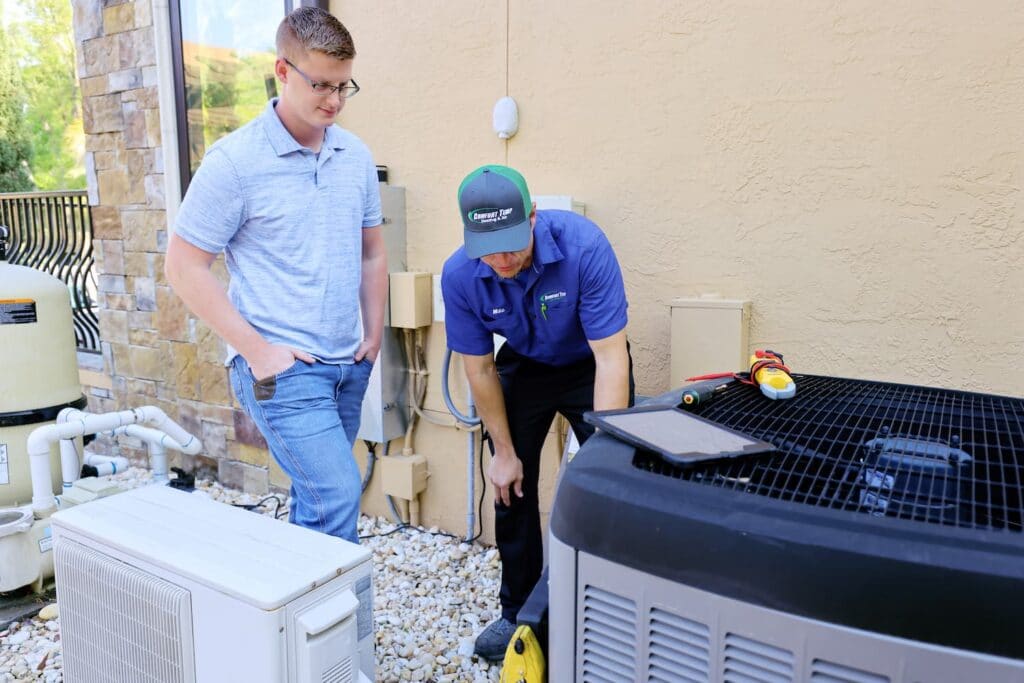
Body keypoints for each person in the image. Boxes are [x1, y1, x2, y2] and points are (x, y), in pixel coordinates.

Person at [164, 7, 386, 544]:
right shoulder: (235, 163)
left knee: (316, 499)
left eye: (343, 86)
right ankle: (344, 626)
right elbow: (183, 266)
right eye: (320, 85)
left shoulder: (354, 157)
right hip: (280, 371)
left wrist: (374, 334)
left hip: (346, 363)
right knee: (337, 492)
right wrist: (260, 353)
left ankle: (291, 626)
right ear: (282, 72)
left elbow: (372, 254)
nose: (334, 101)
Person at [441, 165, 634, 660]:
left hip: (590, 361)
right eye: (489, 246)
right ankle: (516, 612)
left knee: (613, 483)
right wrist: (502, 451)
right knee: (509, 482)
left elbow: (612, 358)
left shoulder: (584, 246)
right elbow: (480, 370)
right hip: (525, 365)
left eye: (511, 242)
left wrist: (607, 454)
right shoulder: (461, 274)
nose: (502, 259)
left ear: (532, 217)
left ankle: (609, 610)